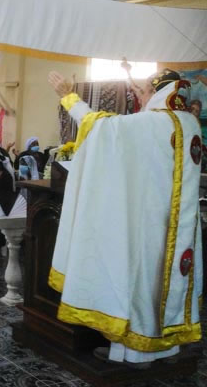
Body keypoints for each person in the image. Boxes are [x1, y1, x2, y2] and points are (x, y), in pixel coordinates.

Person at [47, 69, 201, 367]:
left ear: (157, 93)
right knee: (170, 283)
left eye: (142, 92)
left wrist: (68, 96)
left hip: (149, 225)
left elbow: (100, 127)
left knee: (141, 281)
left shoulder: (152, 123)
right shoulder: (189, 122)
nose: (139, 97)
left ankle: (137, 352)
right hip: (180, 226)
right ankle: (168, 348)